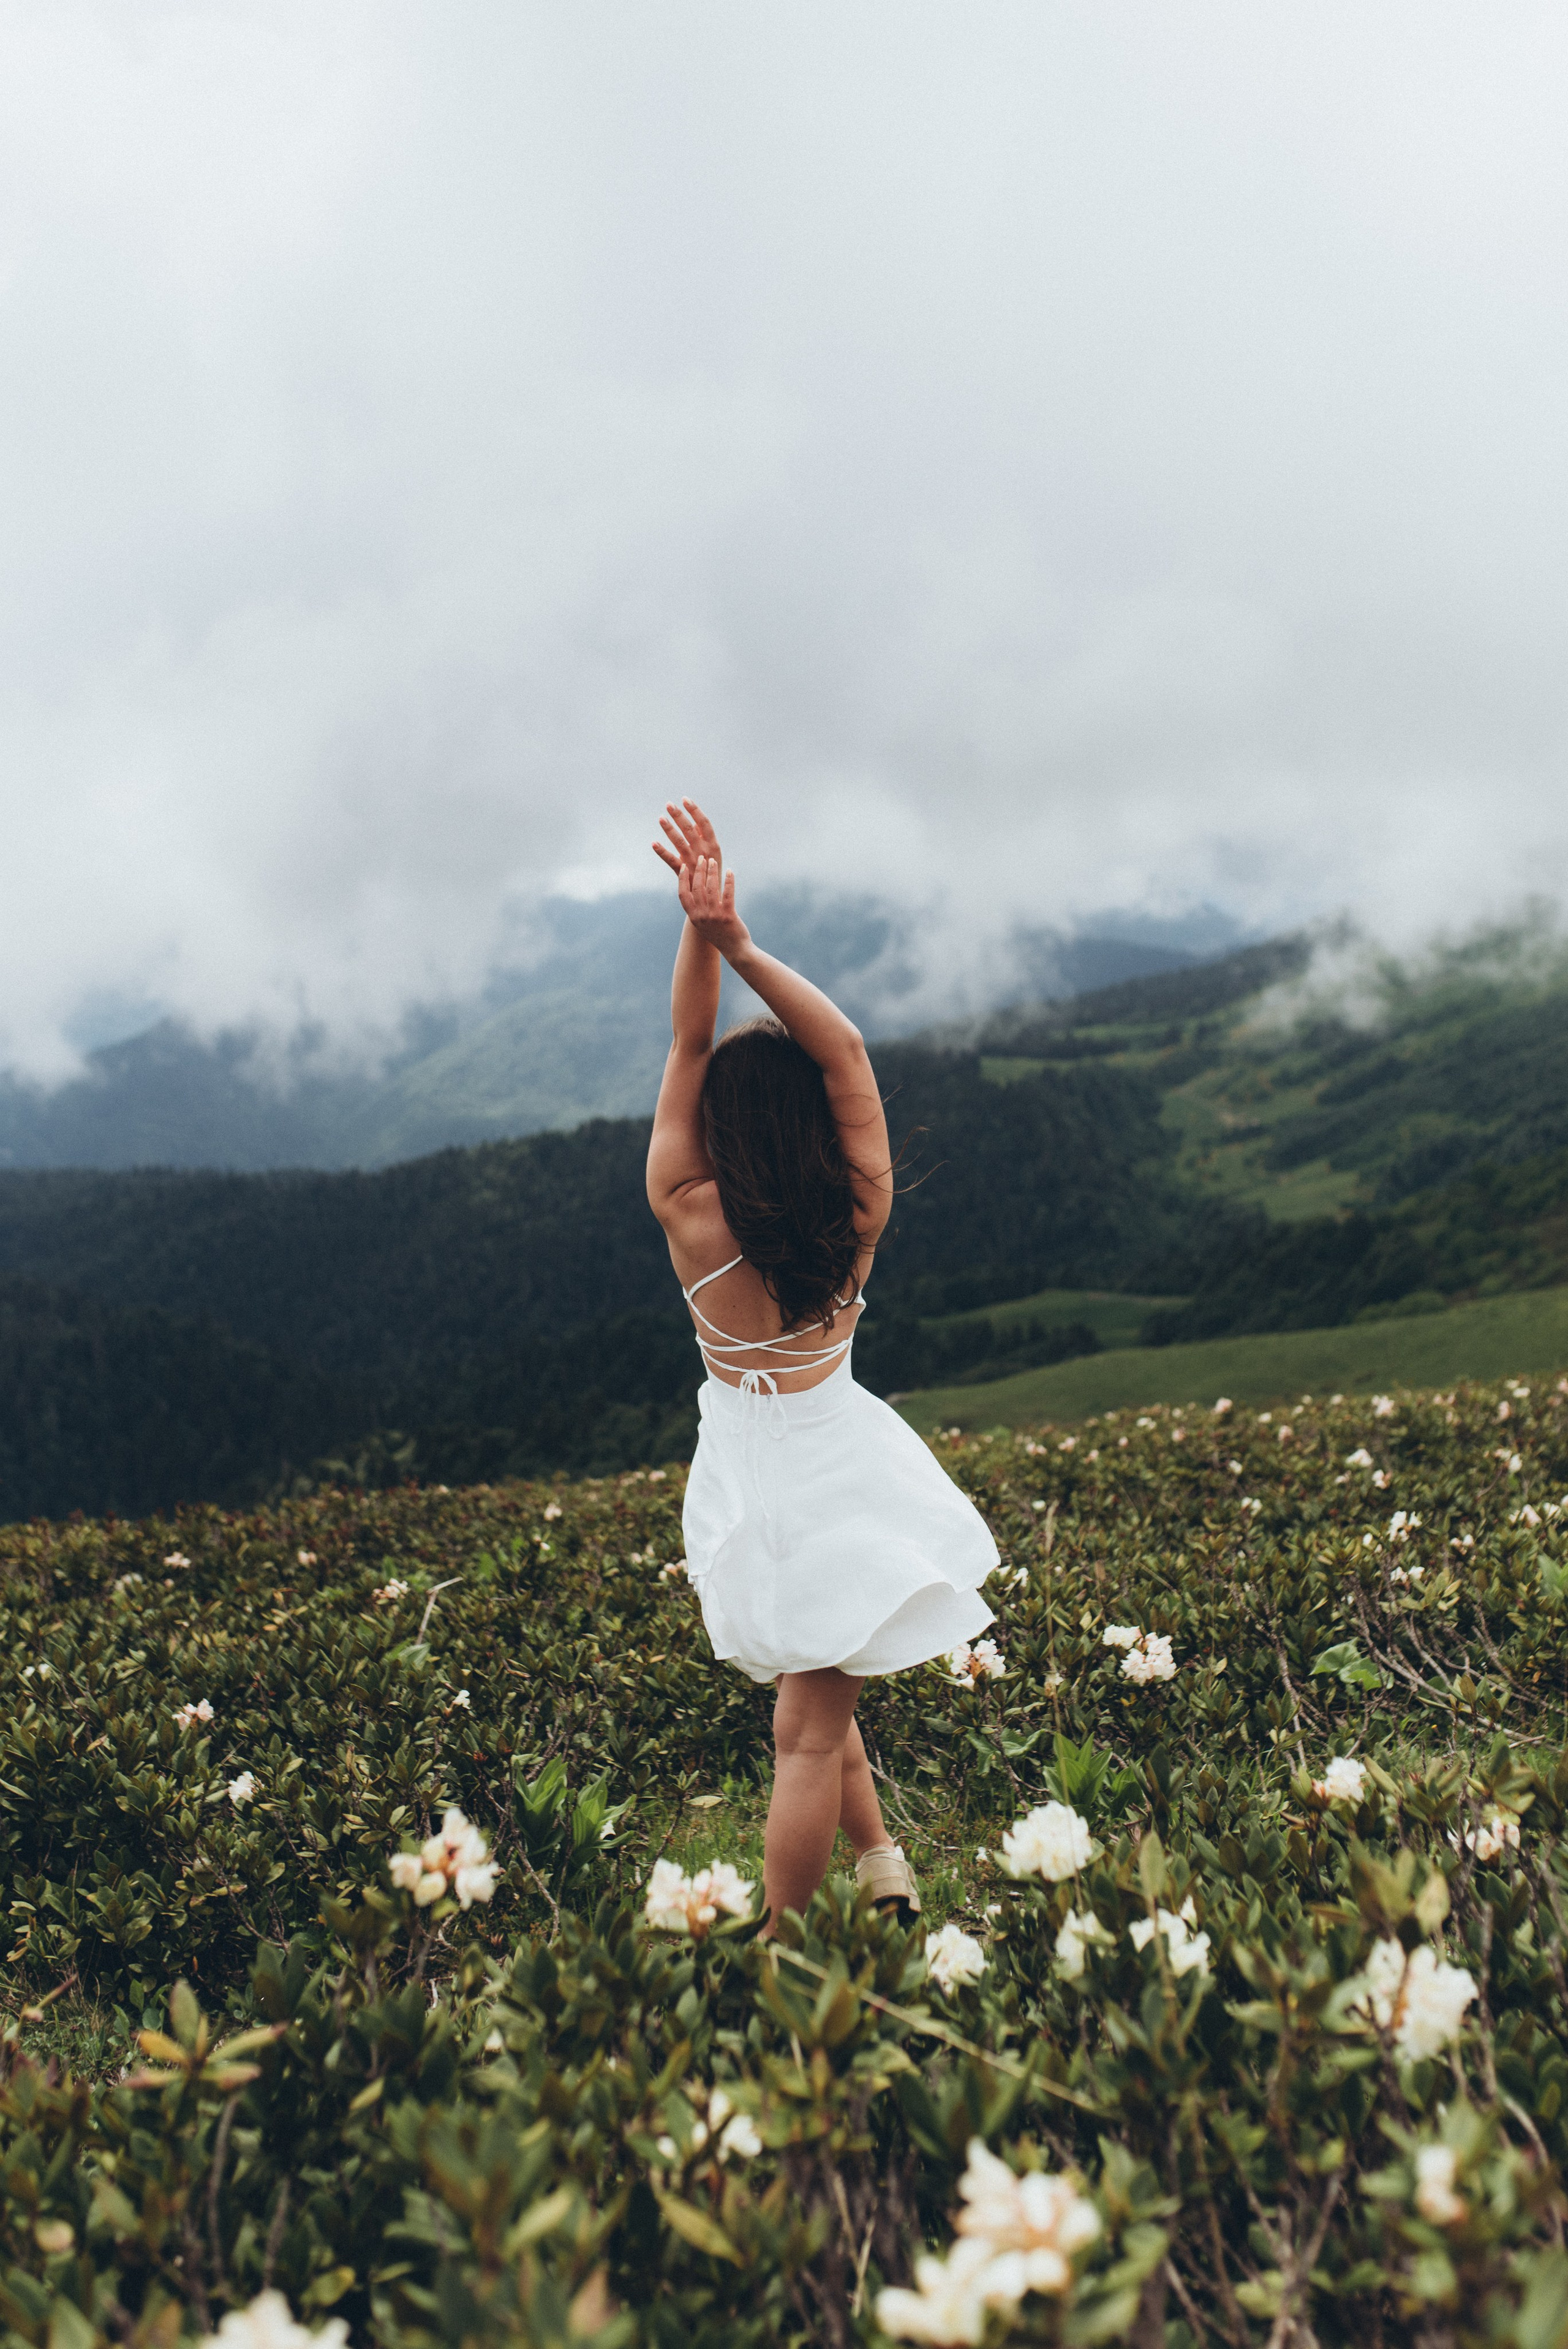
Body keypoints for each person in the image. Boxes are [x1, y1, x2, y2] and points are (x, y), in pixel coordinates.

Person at [646, 799, 998, 1931]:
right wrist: (741, 940)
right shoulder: (858, 1207)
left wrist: (698, 932)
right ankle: (828, 1912)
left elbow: (688, 1045)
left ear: (718, 1133)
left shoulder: (686, 1210)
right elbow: (842, 1049)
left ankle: (799, 1933)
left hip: (744, 1474)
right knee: (811, 1717)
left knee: (808, 1709)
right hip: (841, 1463)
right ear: (808, 1126)